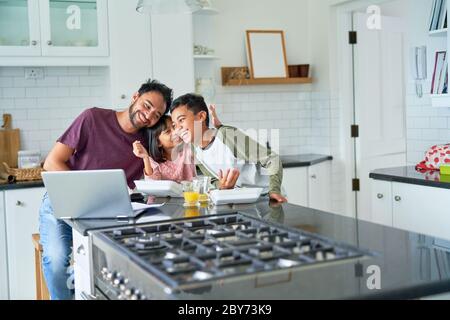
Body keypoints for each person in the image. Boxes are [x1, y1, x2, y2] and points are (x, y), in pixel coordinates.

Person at [39, 79, 173, 300]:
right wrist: (83, 193)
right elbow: (52, 162)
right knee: (56, 258)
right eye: (147, 105)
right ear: (135, 96)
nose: (149, 115)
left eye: (157, 114)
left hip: (106, 211)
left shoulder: (146, 141)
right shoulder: (92, 118)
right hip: (62, 202)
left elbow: (169, 155)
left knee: (119, 262)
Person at [170, 93, 287, 202]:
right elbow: (213, 179)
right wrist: (222, 186)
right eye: (174, 125)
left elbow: (273, 159)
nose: (178, 128)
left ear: (201, 116)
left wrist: (274, 191)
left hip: (269, 197)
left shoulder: (226, 136)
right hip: (246, 200)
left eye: (181, 120)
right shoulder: (194, 148)